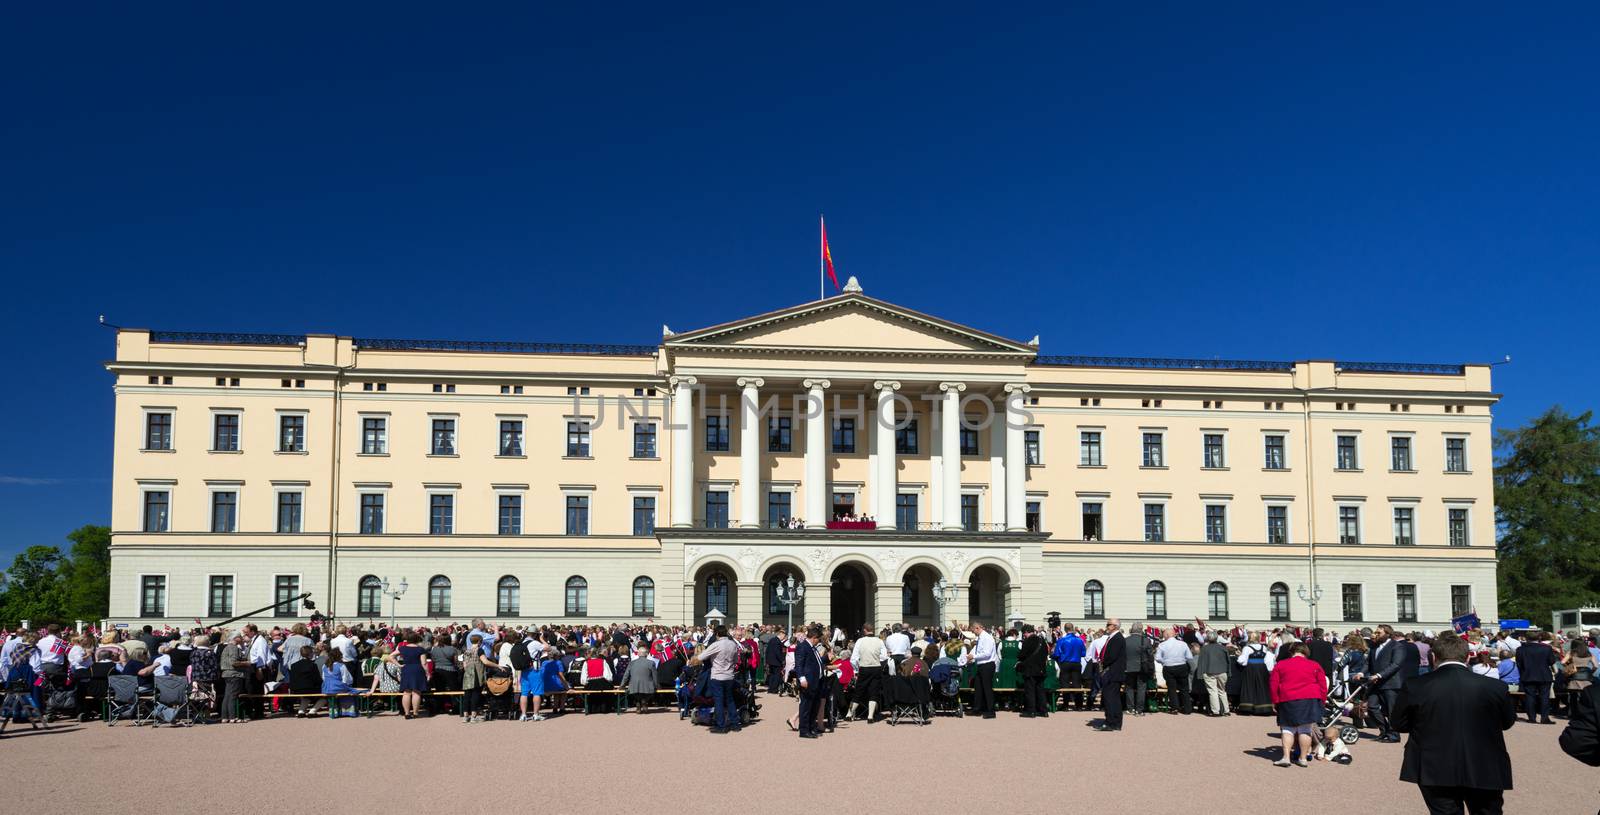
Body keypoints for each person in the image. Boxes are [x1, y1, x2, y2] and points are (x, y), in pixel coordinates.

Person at [1392, 633, 1515, 814]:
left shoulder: (1416, 685)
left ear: (1434, 657)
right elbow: (1506, 722)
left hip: (1434, 763)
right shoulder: (1495, 687)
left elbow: (1399, 723)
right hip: (1484, 762)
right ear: (1467, 658)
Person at [1269, 642, 1328, 767]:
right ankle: (1303, 758)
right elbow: (1323, 685)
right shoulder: (1314, 665)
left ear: (1291, 651)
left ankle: (1286, 757)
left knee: (1287, 729)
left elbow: (1273, 685)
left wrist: (1275, 701)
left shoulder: (1281, 664)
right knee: (1305, 729)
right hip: (1310, 698)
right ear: (1305, 652)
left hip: (1288, 698)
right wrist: (1322, 701)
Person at [1368, 624, 1419, 742]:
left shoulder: (1397, 646)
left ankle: (1394, 735)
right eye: (1376, 632)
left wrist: (1380, 675)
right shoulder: (1375, 646)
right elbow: (1368, 663)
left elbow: (1396, 664)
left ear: (1387, 633)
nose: (1376, 634)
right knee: (1371, 707)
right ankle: (1384, 730)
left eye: (1379, 632)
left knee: (1392, 711)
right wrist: (1361, 673)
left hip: (1391, 683)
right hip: (1375, 682)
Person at [700, 625, 742, 733]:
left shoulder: (716, 644)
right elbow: (736, 659)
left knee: (718, 701)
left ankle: (721, 725)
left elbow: (701, 656)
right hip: (729, 675)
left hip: (718, 675)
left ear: (717, 634)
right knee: (730, 699)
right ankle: (735, 724)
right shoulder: (733, 644)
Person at [1514, 630, 1559, 725]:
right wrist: (1556, 672)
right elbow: (1551, 662)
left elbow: (1519, 664)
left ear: (1526, 638)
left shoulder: (1520, 649)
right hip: (1544, 675)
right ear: (1539, 638)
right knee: (1545, 697)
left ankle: (1532, 717)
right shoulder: (1546, 649)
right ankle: (1544, 718)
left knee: (1530, 697)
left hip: (1527, 674)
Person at [849, 624, 890, 722]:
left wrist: (856, 670)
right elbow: (884, 657)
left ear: (864, 630)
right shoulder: (879, 641)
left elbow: (853, 659)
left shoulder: (860, 641)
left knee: (859, 691)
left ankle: (849, 713)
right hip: (876, 667)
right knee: (874, 691)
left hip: (864, 667)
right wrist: (876, 659)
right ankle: (870, 716)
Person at [1095, 618, 1126, 732]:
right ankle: (1115, 722)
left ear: (1115, 626)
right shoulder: (1113, 638)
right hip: (1113, 672)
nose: (1107, 626)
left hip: (1112, 672)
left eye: (1109, 624)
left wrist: (1103, 663)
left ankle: (1111, 722)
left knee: (1110, 698)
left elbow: (1111, 656)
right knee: (1113, 698)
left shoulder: (1117, 638)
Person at [793, 624, 823, 739]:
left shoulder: (812, 647)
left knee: (814, 706)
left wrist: (825, 658)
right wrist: (802, 678)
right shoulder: (803, 646)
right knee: (806, 706)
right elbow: (799, 664)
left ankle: (811, 728)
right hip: (808, 681)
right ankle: (804, 730)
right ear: (814, 637)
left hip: (816, 681)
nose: (818, 641)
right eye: (818, 639)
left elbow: (816, 662)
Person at [1154, 626, 1192, 715]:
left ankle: (1174, 708)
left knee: (1171, 688)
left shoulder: (1162, 645)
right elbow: (1189, 657)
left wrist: (1164, 662)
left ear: (1167, 635)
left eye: (1164, 635)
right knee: (1184, 689)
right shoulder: (1183, 644)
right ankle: (1187, 709)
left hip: (1169, 667)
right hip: (1182, 666)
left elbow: (1157, 658)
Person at [1236, 637, 1275, 716]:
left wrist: (1239, 656)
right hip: (1262, 668)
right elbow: (1266, 659)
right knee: (1262, 687)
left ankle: (1247, 708)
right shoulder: (1263, 647)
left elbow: (1242, 661)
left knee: (1249, 687)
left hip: (1251, 668)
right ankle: (1263, 708)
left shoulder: (1247, 648)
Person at [1196, 631, 1231, 716]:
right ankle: (1226, 710)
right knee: (1222, 691)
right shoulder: (1223, 648)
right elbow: (1228, 662)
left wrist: (1199, 674)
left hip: (1209, 671)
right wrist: (1229, 672)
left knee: (1213, 691)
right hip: (1222, 671)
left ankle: (1216, 711)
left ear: (1208, 638)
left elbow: (1201, 662)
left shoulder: (1204, 648)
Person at [1052, 625, 1086, 710]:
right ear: (1073, 629)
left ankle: (1066, 705)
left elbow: (1057, 653)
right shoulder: (1080, 640)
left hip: (1065, 663)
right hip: (1076, 662)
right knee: (1077, 684)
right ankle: (1079, 705)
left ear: (1065, 630)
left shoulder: (1062, 640)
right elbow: (1083, 653)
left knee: (1065, 683)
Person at [1016, 624, 1047, 718]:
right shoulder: (1042, 641)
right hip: (1041, 668)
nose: (1024, 636)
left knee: (1030, 691)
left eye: (1024, 634)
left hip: (1030, 669)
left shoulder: (1028, 641)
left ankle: (1031, 711)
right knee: (1040, 690)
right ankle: (1043, 711)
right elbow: (1046, 653)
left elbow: (1022, 655)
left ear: (1026, 632)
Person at [969, 622, 999, 719]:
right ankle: (977, 708)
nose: (973, 633)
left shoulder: (987, 637)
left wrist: (974, 656)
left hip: (988, 665)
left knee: (987, 688)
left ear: (977, 628)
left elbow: (987, 653)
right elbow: (978, 651)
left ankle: (991, 711)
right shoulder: (981, 637)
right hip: (981, 665)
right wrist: (971, 657)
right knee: (978, 687)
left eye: (973, 630)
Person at [395, 633, 428, 719]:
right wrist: (428, 673)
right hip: (417, 669)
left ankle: (407, 713)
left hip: (406, 669)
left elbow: (390, 656)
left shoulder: (402, 648)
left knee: (406, 692)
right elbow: (424, 663)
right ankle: (415, 713)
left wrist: (398, 664)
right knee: (416, 692)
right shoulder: (420, 649)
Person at [1123, 623, 1153, 716]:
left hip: (1128, 667)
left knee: (1129, 688)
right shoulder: (1146, 640)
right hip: (1142, 667)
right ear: (1141, 630)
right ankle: (1139, 710)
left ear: (1132, 629)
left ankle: (1130, 708)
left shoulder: (1125, 640)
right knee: (1141, 688)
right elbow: (1150, 656)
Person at [1563, 640, 1596, 715]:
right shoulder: (1589, 653)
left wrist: (1570, 666)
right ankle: (1584, 713)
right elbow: (1596, 666)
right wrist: (1591, 672)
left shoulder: (1571, 653)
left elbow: (1563, 662)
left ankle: (1573, 712)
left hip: (1574, 675)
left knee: (1573, 696)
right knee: (1585, 696)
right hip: (1586, 677)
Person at [622, 644, 657, 713]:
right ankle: (644, 701)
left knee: (637, 692)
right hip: (647, 686)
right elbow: (655, 676)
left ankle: (638, 702)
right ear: (646, 654)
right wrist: (656, 685)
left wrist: (622, 685)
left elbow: (626, 675)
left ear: (638, 654)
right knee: (650, 691)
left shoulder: (631, 663)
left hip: (633, 686)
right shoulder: (651, 663)